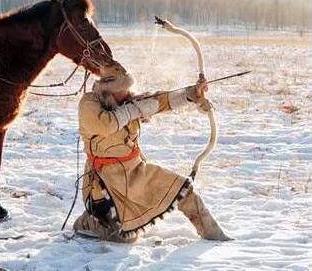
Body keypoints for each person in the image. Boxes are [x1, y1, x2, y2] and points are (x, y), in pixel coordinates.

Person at [73, 64, 232, 243]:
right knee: (125, 239)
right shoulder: (89, 103)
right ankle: (89, 222)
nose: (127, 93)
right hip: (106, 183)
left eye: (128, 88)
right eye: (122, 90)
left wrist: (193, 94)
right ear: (108, 91)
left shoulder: (129, 101)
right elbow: (105, 125)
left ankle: (215, 237)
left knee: (183, 190)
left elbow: (163, 100)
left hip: (136, 172)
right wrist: (134, 110)